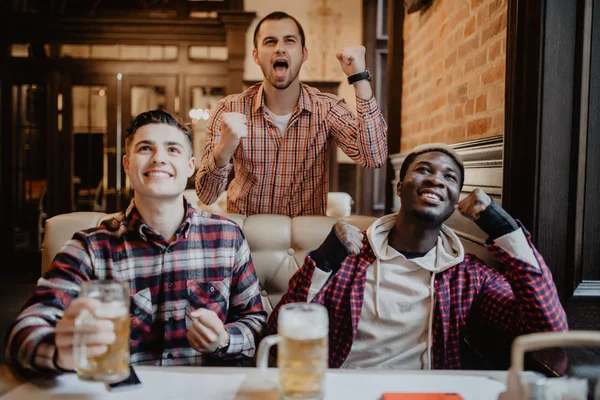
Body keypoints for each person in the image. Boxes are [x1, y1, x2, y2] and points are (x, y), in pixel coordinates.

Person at [5, 109, 267, 374]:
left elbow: (256, 322)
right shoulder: (91, 247)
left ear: (190, 167)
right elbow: (22, 331)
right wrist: (60, 352)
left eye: (173, 150)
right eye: (145, 148)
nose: (159, 158)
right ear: (127, 164)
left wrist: (224, 339)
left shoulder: (227, 237)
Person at [268, 143, 568, 369]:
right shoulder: (348, 257)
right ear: (400, 187)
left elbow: (548, 329)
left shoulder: (467, 274)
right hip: (344, 388)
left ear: (453, 203)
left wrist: (504, 229)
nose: (437, 180)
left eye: (449, 178)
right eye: (424, 170)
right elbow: (276, 335)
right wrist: (324, 260)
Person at [195, 11, 388, 217]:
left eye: (289, 41)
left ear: (304, 54)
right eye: (270, 42)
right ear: (256, 56)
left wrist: (359, 78)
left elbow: (374, 158)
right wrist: (224, 149)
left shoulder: (327, 108)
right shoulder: (228, 109)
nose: (280, 48)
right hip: (247, 239)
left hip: (304, 241)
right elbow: (206, 196)